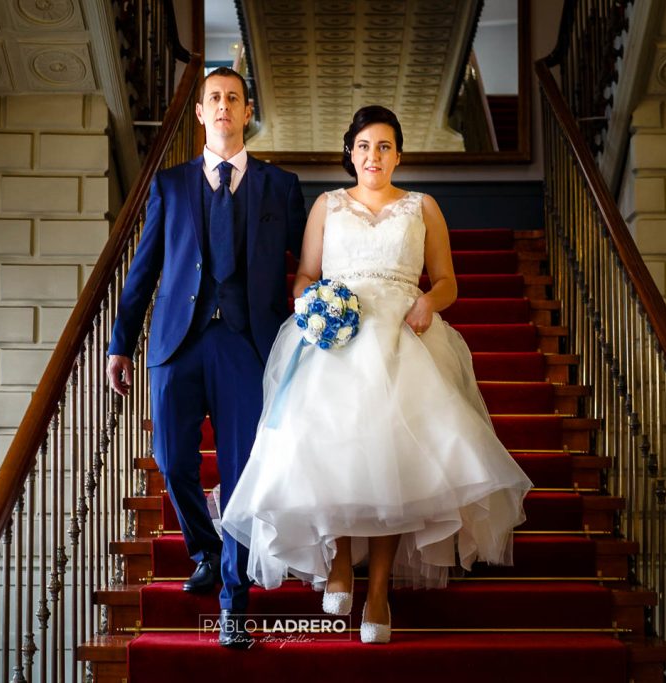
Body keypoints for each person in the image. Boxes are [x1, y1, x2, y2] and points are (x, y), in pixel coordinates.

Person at [220, 105, 533, 644]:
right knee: (333, 451)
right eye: (364, 146)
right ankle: (340, 561)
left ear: (399, 155)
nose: (374, 157)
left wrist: (428, 304)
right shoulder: (327, 205)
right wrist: (310, 305)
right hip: (335, 340)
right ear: (350, 153)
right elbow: (305, 276)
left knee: (397, 466)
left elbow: (447, 282)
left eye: (385, 147)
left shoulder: (422, 206)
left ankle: (380, 590)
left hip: (402, 336)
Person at [107, 66, 306, 648]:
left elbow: (310, 261)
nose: (223, 106)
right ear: (199, 113)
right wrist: (121, 342)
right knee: (172, 462)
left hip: (248, 344)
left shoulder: (281, 186)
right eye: (213, 98)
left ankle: (233, 601)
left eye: (233, 99)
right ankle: (205, 547)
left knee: (242, 473)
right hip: (178, 342)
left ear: (247, 113)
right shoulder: (169, 186)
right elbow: (143, 272)